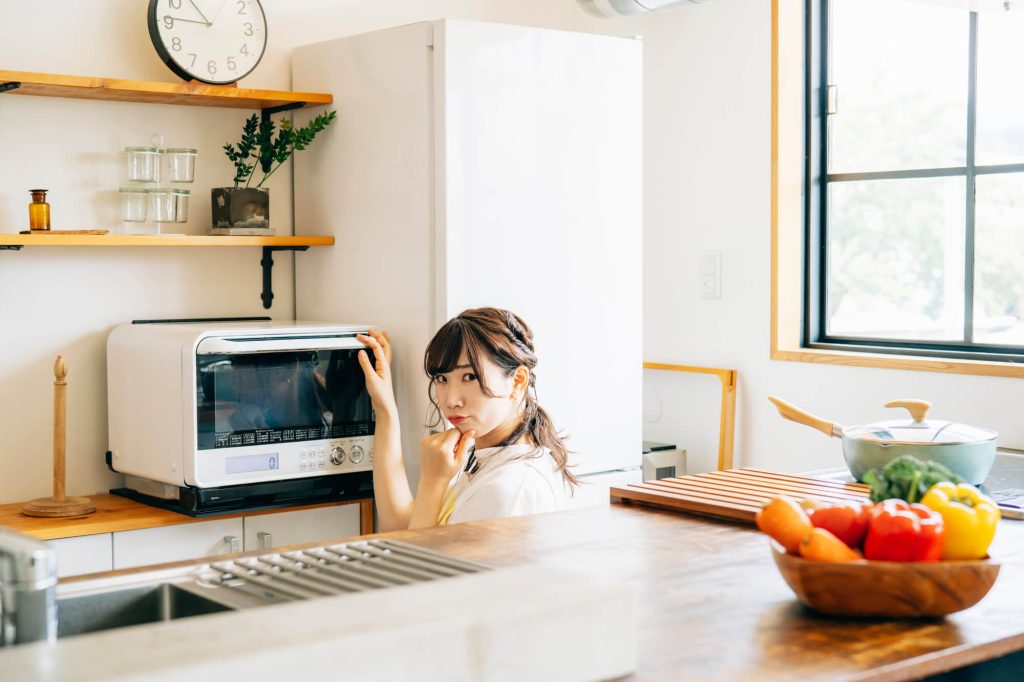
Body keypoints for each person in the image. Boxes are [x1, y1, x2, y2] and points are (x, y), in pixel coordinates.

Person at [356, 307, 577, 531]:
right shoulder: (484, 456)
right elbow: (403, 526)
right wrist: (384, 407)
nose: (451, 400)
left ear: (518, 381)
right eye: (442, 378)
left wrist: (433, 482)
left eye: (469, 377)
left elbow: (414, 562)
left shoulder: (505, 491)